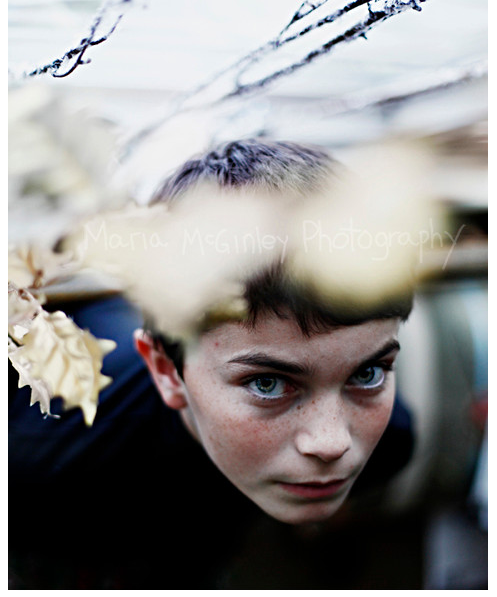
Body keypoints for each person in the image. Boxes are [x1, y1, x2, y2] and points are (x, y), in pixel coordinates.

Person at [9, 139, 415, 589]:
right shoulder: (38, 447)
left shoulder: (390, 442)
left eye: (366, 373)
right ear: (166, 371)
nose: (332, 444)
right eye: (267, 383)